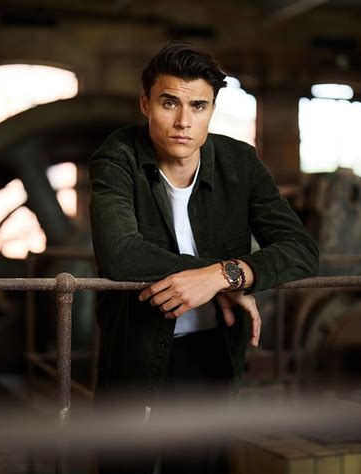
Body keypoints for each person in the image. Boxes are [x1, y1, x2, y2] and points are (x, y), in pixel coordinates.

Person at [89, 41, 319, 473]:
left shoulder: (241, 163)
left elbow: (302, 249)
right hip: (136, 354)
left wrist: (229, 276)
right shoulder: (116, 157)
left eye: (198, 106)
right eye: (169, 103)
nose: (183, 122)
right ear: (145, 103)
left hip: (212, 352)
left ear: (212, 109)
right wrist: (216, 275)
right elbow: (121, 255)